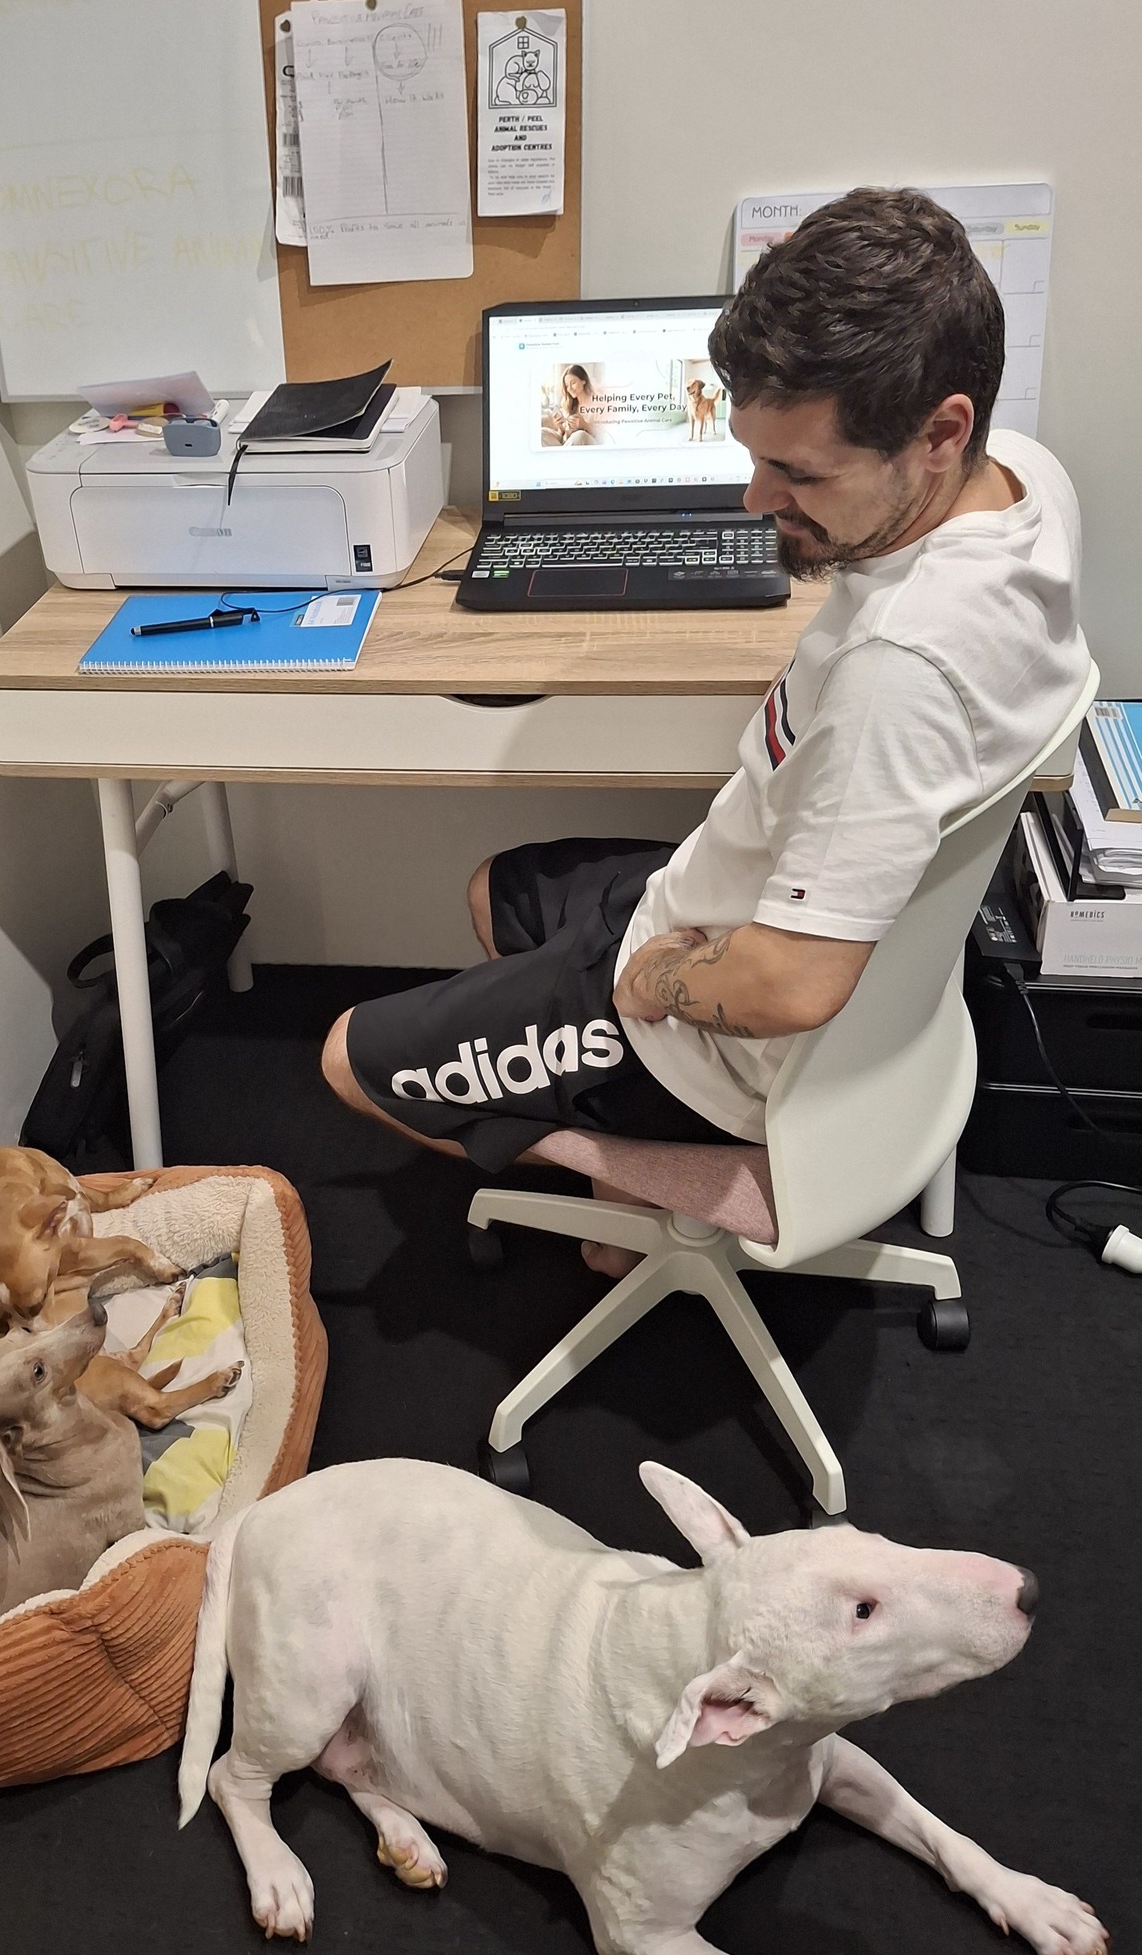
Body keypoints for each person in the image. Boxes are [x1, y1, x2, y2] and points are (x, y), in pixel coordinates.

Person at [322, 187, 1091, 1273]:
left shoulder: (899, 676)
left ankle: (675, 1172)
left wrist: (645, 989)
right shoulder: (1025, 481)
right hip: (747, 907)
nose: (750, 499)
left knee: (348, 1059)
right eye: (753, 455)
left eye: (799, 473)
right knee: (500, 885)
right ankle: (605, 1129)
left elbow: (788, 985)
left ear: (939, 432)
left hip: (719, 1024)